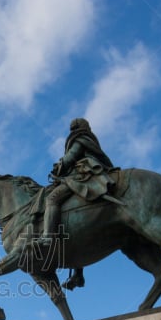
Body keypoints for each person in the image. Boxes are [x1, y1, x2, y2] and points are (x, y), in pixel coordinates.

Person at [35, 118, 114, 290]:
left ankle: (48, 236)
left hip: (82, 176)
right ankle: (78, 274)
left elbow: (71, 157)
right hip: (85, 174)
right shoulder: (89, 139)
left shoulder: (79, 139)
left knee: (52, 199)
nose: (71, 131)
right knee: (73, 222)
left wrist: (59, 166)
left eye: (73, 128)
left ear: (77, 128)